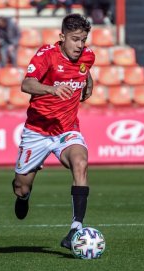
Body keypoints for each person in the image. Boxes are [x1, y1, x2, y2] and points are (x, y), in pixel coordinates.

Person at [12, 13, 95, 250]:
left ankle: (75, 229)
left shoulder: (88, 56)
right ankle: (24, 196)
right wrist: (52, 89)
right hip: (37, 131)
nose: (80, 45)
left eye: (84, 40)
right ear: (62, 37)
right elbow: (26, 84)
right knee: (21, 185)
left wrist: (88, 83)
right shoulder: (46, 55)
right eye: (75, 39)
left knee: (80, 163)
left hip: (67, 130)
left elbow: (85, 69)